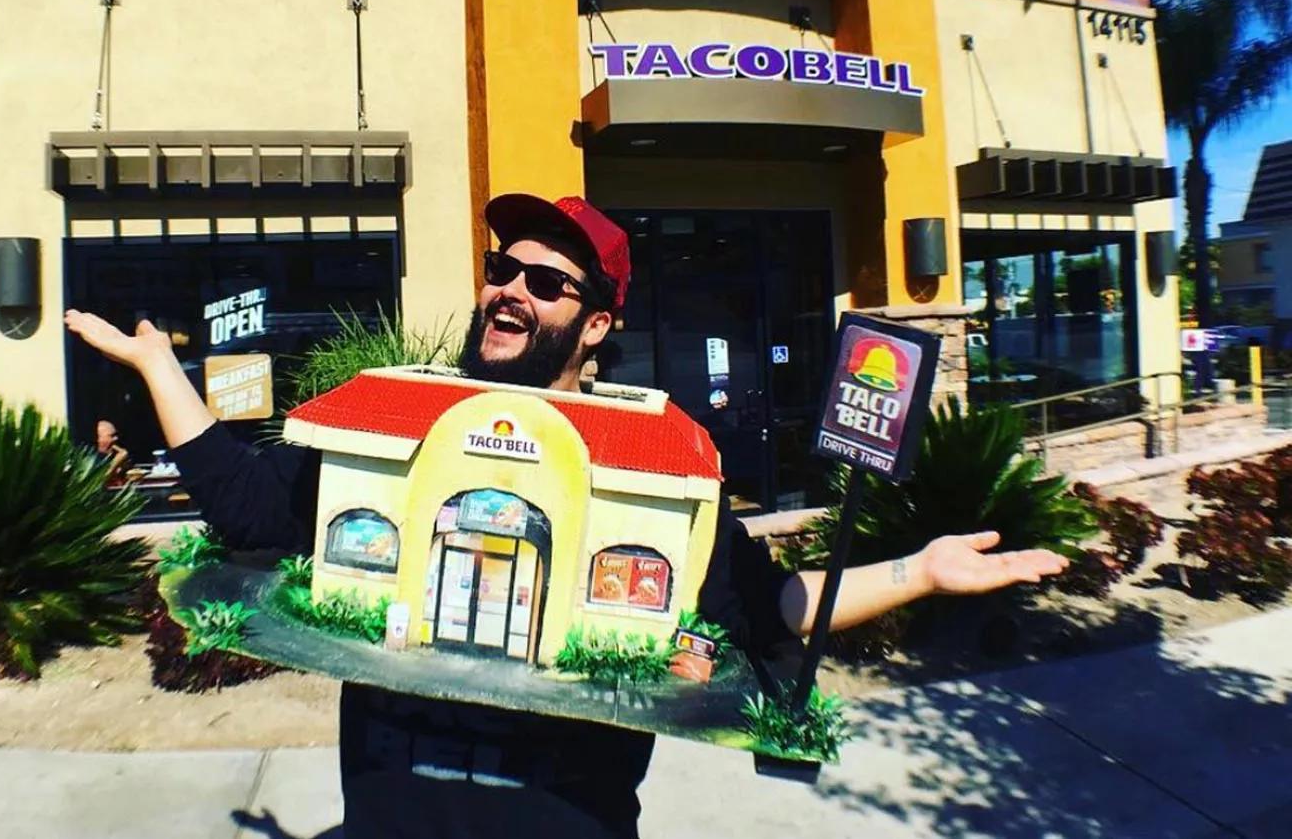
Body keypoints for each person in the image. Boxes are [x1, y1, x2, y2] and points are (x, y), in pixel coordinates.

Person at [65, 194, 1066, 838]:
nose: (510, 291)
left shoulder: (654, 453)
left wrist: (917, 573)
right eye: (502, 269)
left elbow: (769, 608)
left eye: (545, 284)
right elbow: (250, 512)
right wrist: (158, 367)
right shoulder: (402, 419)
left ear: (595, 323)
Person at [92, 419, 131, 485]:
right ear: (98, 438)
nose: (116, 438)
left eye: (116, 435)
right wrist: (115, 462)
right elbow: (96, 483)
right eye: (112, 436)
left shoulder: (110, 456)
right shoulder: (91, 459)